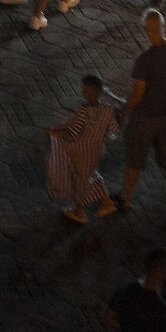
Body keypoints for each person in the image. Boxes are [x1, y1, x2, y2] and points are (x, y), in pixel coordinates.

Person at [115, 9, 166, 214]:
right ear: (162, 27)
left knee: (135, 161)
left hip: (145, 119)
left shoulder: (144, 60)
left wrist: (124, 108)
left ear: (146, 30)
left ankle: (125, 198)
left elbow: (137, 94)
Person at [45, 74, 119, 224]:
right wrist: (100, 137)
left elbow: (74, 132)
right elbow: (113, 131)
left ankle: (79, 212)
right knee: (91, 174)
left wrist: (55, 133)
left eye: (84, 89)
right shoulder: (108, 109)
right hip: (96, 150)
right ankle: (107, 203)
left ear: (88, 93)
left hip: (80, 151)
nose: (82, 91)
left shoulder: (84, 111)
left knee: (80, 180)